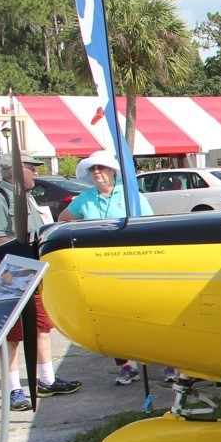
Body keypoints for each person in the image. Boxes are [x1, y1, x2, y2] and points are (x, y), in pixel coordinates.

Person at [0, 152, 82, 411]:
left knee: (41, 325)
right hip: (8, 271)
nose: (35, 173)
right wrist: (16, 268)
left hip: (31, 269)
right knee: (12, 334)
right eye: (30, 168)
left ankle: (47, 379)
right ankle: (14, 389)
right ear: (14, 170)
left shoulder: (27, 198)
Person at [58, 151, 154, 385]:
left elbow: (150, 225)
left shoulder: (131, 195)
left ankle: (170, 364)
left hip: (132, 266)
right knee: (110, 320)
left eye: (101, 167)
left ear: (112, 171)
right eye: (92, 169)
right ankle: (126, 365)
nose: (97, 172)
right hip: (99, 269)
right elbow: (62, 219)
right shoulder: (85, 198)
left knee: (148, 315)